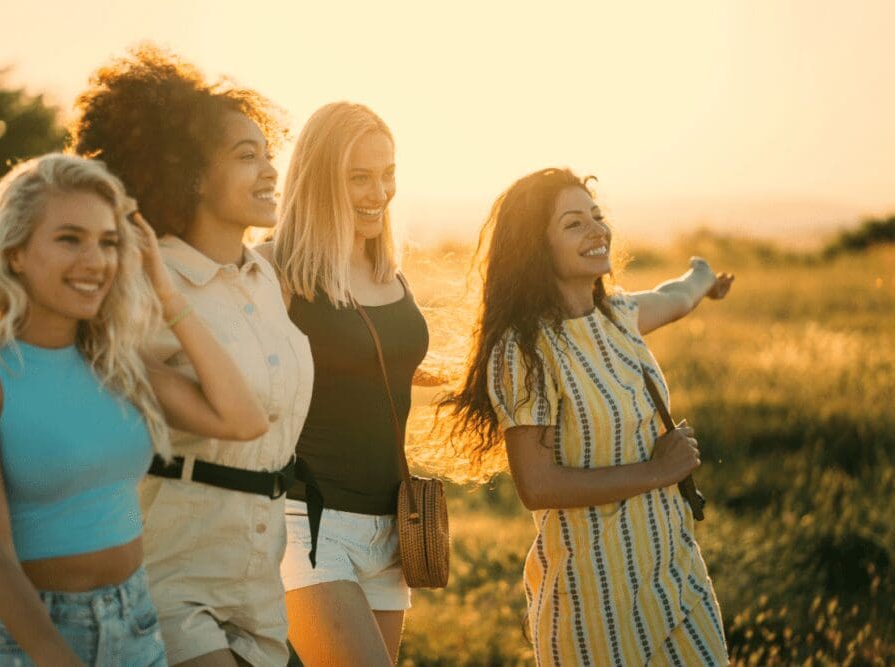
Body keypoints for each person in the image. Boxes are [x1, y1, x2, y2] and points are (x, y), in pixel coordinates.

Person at [0, 153, 268, 666]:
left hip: (135, 622)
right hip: (30, 638)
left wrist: (165, 286)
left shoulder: (119, 366)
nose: (95, 260)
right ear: (15, 252)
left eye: (108, 243)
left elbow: (244, 421)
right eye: (69, 239)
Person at [71, 46, 314, 667]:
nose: (269, 171)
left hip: (260, 578)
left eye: (269, 153)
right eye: (245, 156)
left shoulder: (264, 279)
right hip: (170, 570)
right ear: (191, 175)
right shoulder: (140, 285)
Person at [439, 168, 734, 666]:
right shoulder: (524, 350)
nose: (598, 231)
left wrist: (703, 277)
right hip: (596, 605)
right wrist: (658, 471)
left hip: (676, 576)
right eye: (574, 224)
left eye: (597, 216)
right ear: (536, 247)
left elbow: (677, 296)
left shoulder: (619, 316)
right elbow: (537, 485)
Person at [260, 102, 432, 667]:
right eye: (359, 176)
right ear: (318, 181)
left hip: (391, 528)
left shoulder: (389, 272)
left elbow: (373, 364)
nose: (379, 191)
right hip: (308, 524)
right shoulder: (277, 271)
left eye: (387, 173)